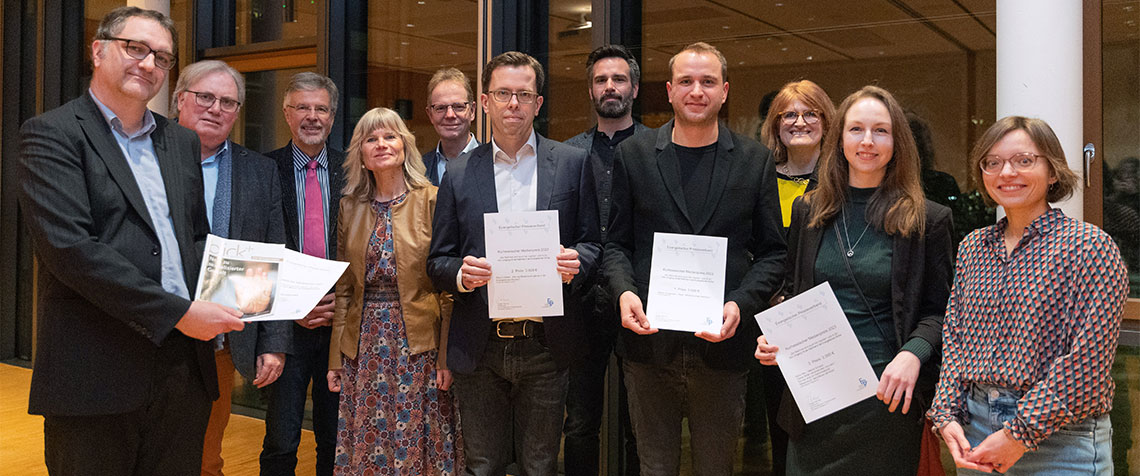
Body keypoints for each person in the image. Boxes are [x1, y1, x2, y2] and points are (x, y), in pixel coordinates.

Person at [16, 6, 245, 475]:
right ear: (98, 51)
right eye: (134, 48)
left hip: (184, 372)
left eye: (161, 57)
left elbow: (194, 239)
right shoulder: (51, 135)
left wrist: (256, 289)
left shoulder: (178, 141)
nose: (148, 64)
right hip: (96, 372)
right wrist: (179, 312)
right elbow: (72, 252)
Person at [604, 42, 786, 476]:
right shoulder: (634, 155)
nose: (696, 91)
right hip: (649, 347)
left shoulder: (755, 161)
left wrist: (740, 304)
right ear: (669, 90)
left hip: (723, 350)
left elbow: (774, 253)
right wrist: (624, 292)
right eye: (685, 81)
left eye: (707, 82)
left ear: (724, 91)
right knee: (655, 468)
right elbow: (615, 245)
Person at [754, 85, 954, 476]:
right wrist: (776, 338)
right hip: (814, 401)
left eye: (880, 130)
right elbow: (794, 296)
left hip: (886, 401)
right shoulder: (809, 211)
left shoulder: (928, 220)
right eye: (856, 129)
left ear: (897, 142)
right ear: (839, 139)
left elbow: (941, 312)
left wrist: (913, 353)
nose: (867, 141)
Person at [427, 51, 601, 476]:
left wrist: (578, 261)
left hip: (545, 344)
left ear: (538, 103)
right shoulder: (460, 171)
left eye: (524, 94)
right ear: (485, 102)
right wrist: (462, 276)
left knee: (539, 466)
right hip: (480, 343)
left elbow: (595, 244)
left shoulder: (572, 164)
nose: (513, 104)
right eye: (503, 93)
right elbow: (438, 260)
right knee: (482, 465)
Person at [927, 116, 1129, 475]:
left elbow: (1087, 362)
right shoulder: (974, 247)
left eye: (1024, 160)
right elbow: (955, 339)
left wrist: (1019, 434)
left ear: (1052, 172)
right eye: (993, 162)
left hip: (1062, 439)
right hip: (975, 428)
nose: (1007, 172)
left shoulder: (1089, 246)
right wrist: (946, 415)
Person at [326, 107, 463, 474]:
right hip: (364, 345)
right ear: (361, 153)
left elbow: (448, 289)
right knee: (369, 443)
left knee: (421, 441)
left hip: (419, 343)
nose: (381, 144)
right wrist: (335, 358)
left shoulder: (432, 199)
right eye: (371, 138)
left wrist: (446, 355)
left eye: (390, 136)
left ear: (405, 145)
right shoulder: (349, 207)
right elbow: (344, 290)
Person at [172, 59, 290, 476]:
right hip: (153, 333)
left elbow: (270, 253)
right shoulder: (147, 157)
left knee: (208, 456)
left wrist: (272, 339)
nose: (215, 108)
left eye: (227, 101)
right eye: (205, 97)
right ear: (179, 100)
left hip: (221, 339)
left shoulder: (259, 171)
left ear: (238, 112)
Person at [562, 43, 649, 476]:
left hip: (639, 299)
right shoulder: (567, 155)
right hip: (580, 302)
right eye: (600, 80)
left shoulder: (659, 148)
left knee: (642, 424)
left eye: (618, 79)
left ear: (634, 87)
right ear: (590, 90)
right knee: (579, 422)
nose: (609, 87)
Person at [744, 78, 835, 476]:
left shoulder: (842, 182)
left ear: (826, 120)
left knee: (829, 433)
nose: (799, 122)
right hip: (769, 324)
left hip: (827, 324)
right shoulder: (758, 178)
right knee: (778, 427)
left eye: (810, 113)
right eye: (789, 115)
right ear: (776, 124)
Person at [263, 72, 345, 476]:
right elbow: (258, 249)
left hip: (341, 327)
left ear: (332, 116)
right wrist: (291, 304)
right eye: (303, 108)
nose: (312, 116)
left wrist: (341, 305)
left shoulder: (355, 171)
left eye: (321, 109)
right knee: (281, 439)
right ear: (286, 113)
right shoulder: (263, 171)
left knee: (335, 437)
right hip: (285, 327)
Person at [423, 68, 480, 186]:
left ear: (472, 111)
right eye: (440, 108)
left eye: (458, 106)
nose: (450, 115)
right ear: (430, 114)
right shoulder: (418, 169)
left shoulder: (493, 164)